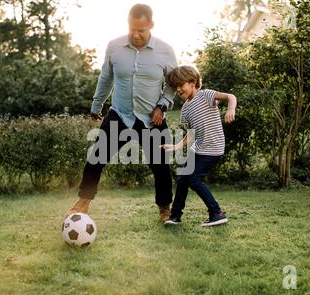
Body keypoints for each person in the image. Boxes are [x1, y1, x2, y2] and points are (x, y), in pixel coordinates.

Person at [66, 4, 178, 222]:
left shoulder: (165, 50)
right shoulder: (114, 47)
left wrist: (162, 105)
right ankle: (83, 202)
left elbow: (173, 84)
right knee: (96, 158)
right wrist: (96, 105)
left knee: (161, 165)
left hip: (151, 118)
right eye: (132, 29)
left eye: (141, 30)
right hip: (120, 114)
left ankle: (165, 208)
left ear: (151, 25)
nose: (136, 35)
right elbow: (106, 78)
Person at [162, 65, 236, 227]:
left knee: (195, 180)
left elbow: (231, 96)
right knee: (183, 179)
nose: (178, 90)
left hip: (213, 148)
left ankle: (216, 213)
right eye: (176, 87)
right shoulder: (186, 109)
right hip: (199, 148)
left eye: (181, 85)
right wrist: (176, 146)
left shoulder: (206, 95)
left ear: (193, 82)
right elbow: (191, 135)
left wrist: (231, 109)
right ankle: (175, 216)